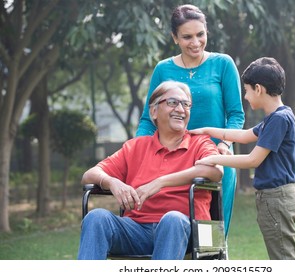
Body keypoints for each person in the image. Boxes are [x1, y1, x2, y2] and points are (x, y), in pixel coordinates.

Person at [78, 81, 223, 260]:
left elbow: (216, 170)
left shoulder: (200, 143)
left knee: (172, 220)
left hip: (190, 230)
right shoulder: (135, 147)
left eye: (186, 104)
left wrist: (160, 182)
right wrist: (112, 182)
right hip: (137, 230)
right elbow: (89, 175)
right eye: (172, 102)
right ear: (154, 111)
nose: (181, 109)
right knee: (96, 218)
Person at [136, 4, 245, 236]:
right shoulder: (163, 69)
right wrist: (137, 151)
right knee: (175, 235)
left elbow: (236, 115)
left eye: (200, 34)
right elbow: (148, 119)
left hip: (215, 161)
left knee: (211, 239)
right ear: (175, 37)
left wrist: (224, 145)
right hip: (172, 163)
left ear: (207, 31)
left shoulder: (223, 64)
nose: (195, 42)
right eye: (187, 37)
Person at [190, 57, 295, 260]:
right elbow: (244, 134)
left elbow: (252, 160)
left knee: (284, 260)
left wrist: (213, 158)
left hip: (276, 199)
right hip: (275, 199)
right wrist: (207, 130)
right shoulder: (276, 117)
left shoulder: (278, 119)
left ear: (258, 89)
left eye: (247, 90)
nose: (246, 96)